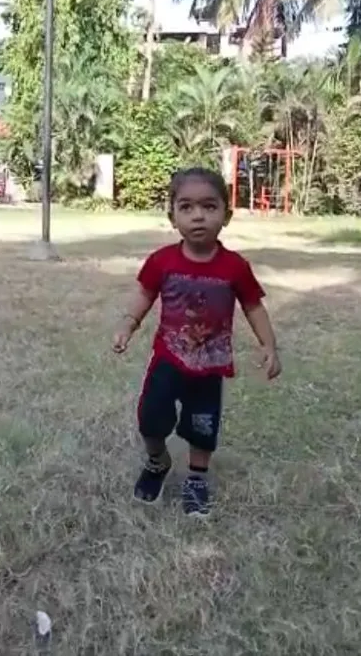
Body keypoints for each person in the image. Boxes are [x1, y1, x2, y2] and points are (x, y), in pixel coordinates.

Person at [112, 167, 281, 516]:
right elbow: (144, 294)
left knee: (203, 426)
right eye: (186, 207)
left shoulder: (235, 267)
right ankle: (158, 463)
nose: (198, 215)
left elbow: (253, 306)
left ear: (227, 215)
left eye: (209, 206)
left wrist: (269, 346)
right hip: (168, 360)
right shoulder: (162, 261)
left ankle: (197, 479)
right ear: (172, 216)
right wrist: (128, 324)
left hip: (210, 367)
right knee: (150, 419)